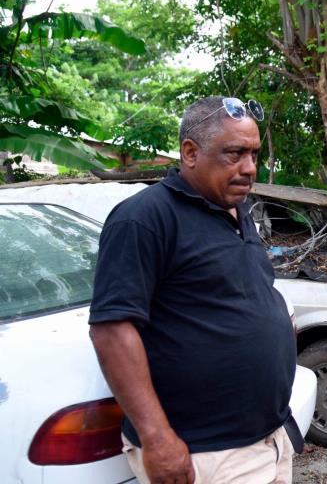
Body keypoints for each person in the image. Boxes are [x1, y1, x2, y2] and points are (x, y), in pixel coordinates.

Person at [89, 96, 299, 483]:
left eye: (254, 154)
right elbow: (112, 329)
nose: (249, 168)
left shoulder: (236, 211)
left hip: (267, 439)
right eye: (234, 153)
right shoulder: (145, 219)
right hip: (204, 454)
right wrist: (157, 439)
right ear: (190, 152)